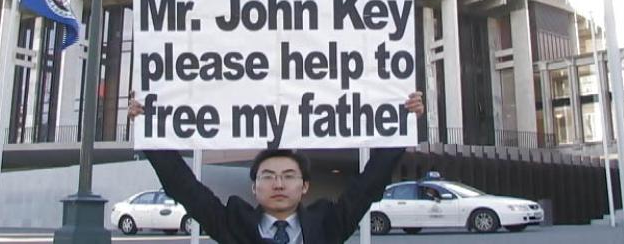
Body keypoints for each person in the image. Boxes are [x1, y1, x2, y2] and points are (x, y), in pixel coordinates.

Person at [128, 91, 423, 244]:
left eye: (288, 176)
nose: (278, 184)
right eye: (268, 177)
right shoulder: (233, 223)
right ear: (254, 187)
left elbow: (367, 186)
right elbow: (186, 189)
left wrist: (402, 121)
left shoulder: (327, 223)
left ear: (304, 186)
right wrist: (148, 129)